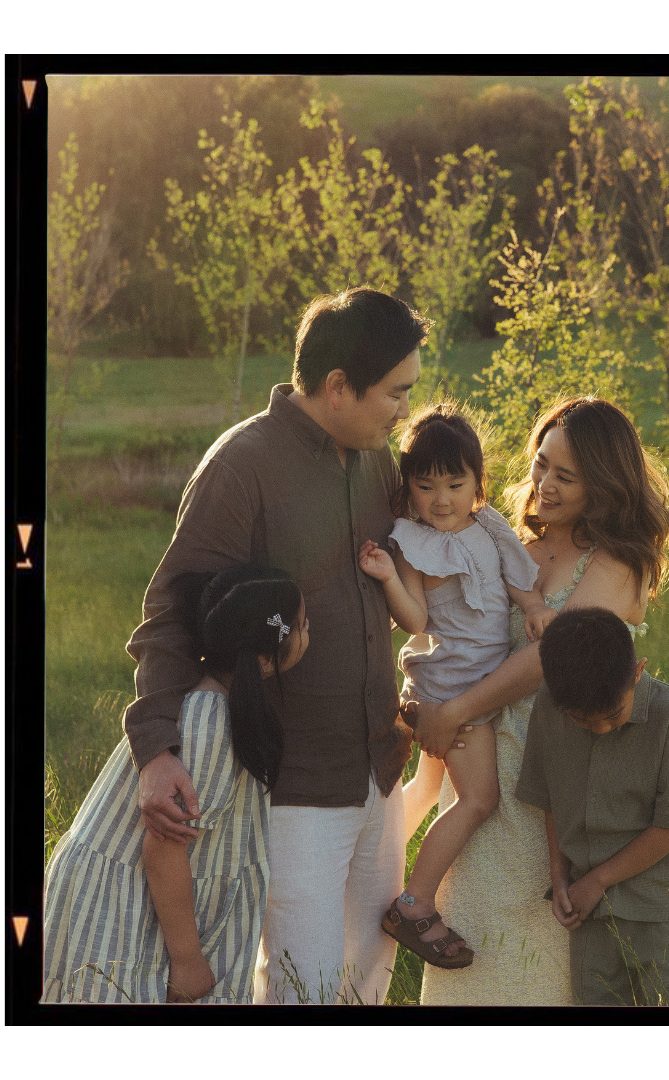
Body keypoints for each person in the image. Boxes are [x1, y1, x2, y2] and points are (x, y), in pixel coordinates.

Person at [122, 288, 431, 1005]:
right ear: (336, 389)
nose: (403, 410)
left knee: (367, 981)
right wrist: (156, 749)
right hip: (292, 788)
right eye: (395, 394)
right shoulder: (242, 465)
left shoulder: (377, 460)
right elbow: (170, 612)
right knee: (304, 988)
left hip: (379, 773)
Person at [408, 396, 669, 1005]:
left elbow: (546, 660)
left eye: (565, 475)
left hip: (558, 776)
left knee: (546, 950)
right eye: (540, 463)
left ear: (604, 483)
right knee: (475, 916)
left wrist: (455, 711)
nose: (542, 483)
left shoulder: (616, 563)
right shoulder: (512, 546)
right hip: (482, 768)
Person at [42, 565, 309, 1003]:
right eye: (302, 625)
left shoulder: (215, 700)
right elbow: (163, 847)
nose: (308, 632)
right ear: (264, 660)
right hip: (124, 906)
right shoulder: (210, 723)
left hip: (155, 898)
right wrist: (187, 961)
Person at [357, 403, 556, 969]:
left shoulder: (489, 524)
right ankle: (414, 904)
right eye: (425, 485)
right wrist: (391, 577)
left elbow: (519, 579)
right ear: (408, 489)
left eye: (454, 483)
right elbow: (416, 621)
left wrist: (536, 606)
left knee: (427, 783)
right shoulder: (414, 542)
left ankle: (377, 868)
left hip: (476, 683)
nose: (440, 498)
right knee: (480, 800)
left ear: (478, 484)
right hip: (453, 690)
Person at [517, 606, 669, 1006]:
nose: (602, 729)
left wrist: (595, 882)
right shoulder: (550, 707)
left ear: (638, 671)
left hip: (666, 905)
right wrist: (560, 878)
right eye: (583, 721)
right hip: (590, 913)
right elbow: (551, 801)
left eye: (612, 715)